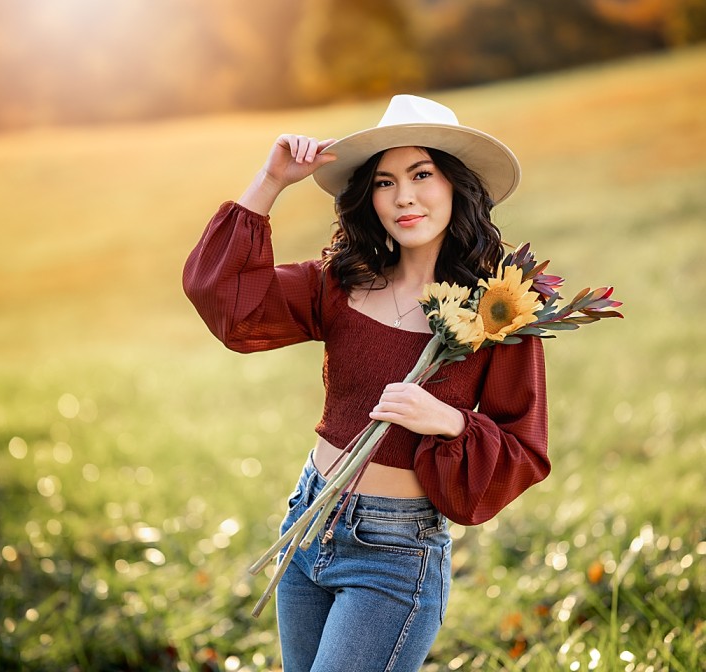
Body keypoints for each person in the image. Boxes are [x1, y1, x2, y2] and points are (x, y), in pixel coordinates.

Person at [182, 95, 550, 672]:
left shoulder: (498, 312)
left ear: (457, 185)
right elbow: (226, 298)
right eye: (384, 182)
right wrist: (271, 180)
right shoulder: (340, 284)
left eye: (421, 174)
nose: (403, 196)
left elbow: (524, 450)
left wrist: (449, 421)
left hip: (394, 557)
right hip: (307, 524)